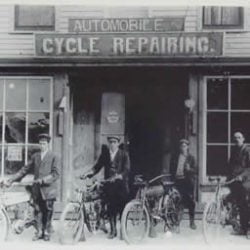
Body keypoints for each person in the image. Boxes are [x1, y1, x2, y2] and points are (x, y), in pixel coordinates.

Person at [5, 133, 60, 241]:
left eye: (44, 143)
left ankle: (47, 231)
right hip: (37, 189)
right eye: (40, 144)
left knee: (48, 211)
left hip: (49, 189)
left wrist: (43, 180)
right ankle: (39, 232)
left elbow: (55, 174)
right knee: (37, 210)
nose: (42, 146)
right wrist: (11, 180)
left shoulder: (54, 156)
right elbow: (24, 170)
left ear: (48, 144)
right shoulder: (35, 156)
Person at [83, 135, 130, 239]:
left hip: (121, 186)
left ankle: (123, 231)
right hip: (110, 186)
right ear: (108, 143)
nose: (112, 144)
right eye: (111, 142)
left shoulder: (124, 154)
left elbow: (127, 170)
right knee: (111, 208)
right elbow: (97, 167)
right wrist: (89, 173)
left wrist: (119, 176)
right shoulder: (105, 155)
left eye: (114, 142)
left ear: (118, 143)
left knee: (122, 209)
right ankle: (113, 231)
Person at [170, 139, 197, 230]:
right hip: (178, 182)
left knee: (191, 203)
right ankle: (177, 223)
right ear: (179, 147)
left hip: (188, 182)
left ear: (188, 147)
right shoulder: (175, 157)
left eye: (185, 146)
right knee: (178, 202)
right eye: (181, 146)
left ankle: (192, 222)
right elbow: (171, 169)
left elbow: (196, 171)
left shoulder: (191, 158)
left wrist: (189, 169)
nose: (183, 148)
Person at [227, 131, 250, 236]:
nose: (237, 140)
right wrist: (227, 178)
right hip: (236, 181)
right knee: (239, 204)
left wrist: (242, 176)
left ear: (243, 139)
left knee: (246, 203)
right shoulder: (234, 151)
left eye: (239, 137)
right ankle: (243, 228)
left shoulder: (247, 150)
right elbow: (230, 167)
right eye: (235, 138)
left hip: (247, 181)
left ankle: (247, 229)